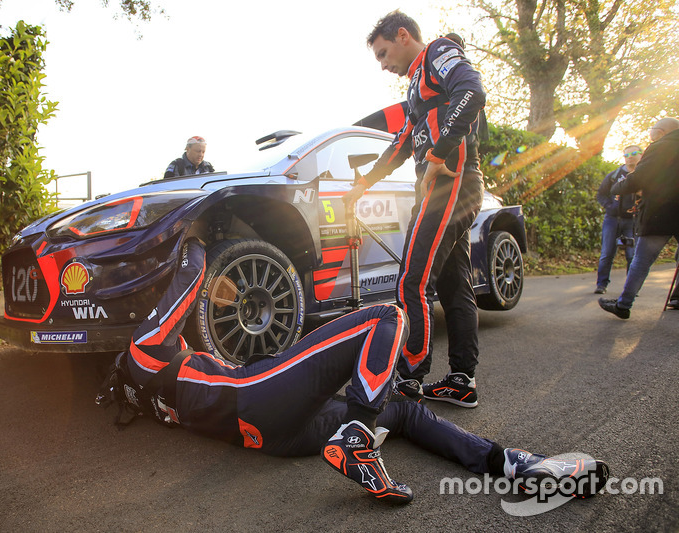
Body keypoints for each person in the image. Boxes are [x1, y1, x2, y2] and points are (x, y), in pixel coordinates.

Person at [97, 239, 609, 504]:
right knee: (386, 317)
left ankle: (517, 468)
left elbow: (187, 323)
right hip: (252, 395)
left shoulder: (151, 394)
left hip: (270, 438)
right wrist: (194, 236)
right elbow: (187, 281)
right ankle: (359, 434)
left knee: (404, 413)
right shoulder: (143, 352)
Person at [342, 11, 485, 407]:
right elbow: (402, 143)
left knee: (412, 281)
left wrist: (439, 154)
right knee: (456, 286)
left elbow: (472, 92)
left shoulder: (439, 52)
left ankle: (408, 378)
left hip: (450, 181)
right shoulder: (416, 89)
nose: (384, 65)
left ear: (403, 36)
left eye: (384, 53)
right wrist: (365, 183)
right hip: (445, 184)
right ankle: (461, 381)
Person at [599, 117, 679, 319]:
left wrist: (618, 187)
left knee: (641, 260)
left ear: (661, 132)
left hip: (660, 213)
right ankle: (677, 296)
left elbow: (640, 177)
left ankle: (623, 305)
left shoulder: (660, 147)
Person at [594, 146, 643, 294]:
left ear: (641, 155)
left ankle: (631, 288)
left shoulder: (644, 176)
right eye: (627, 154)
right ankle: (601, 285)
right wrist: (609, 206)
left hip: (631, 222)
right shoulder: (614, 176)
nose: (630, 157)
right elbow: (601, 194)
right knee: (607, 253)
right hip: (612, 220)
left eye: (634, 154)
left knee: (631, 255)